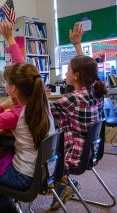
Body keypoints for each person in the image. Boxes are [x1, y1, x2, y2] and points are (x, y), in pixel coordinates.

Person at [0, 20, 55, 213]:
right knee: (4, 151)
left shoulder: (15, 113)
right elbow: (23, 68)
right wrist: (10, 39)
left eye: (8, 81)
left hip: (25, 177)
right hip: (46, 171)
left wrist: (2, 105)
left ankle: (7, 208)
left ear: (13, 89)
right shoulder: (42, 102)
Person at [49, 23, 107, 210]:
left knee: (42, 152)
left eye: (68, 70)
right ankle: (63, 186)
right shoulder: (96, 91)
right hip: (92, 151)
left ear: (76, 76)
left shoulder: (73, 99)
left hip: (73, 155)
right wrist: (77, 44)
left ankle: (64, 181)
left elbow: (40, 109)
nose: (65, 73)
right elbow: (86, 66)